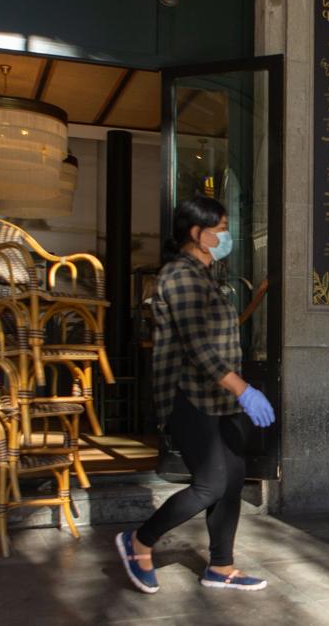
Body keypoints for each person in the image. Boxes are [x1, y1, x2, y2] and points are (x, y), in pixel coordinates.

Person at [116, 197, 276, 595]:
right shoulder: (179, 275)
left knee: (233, 478)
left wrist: (236, 391)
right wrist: (244, 389)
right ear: (197, 233)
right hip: (187, 395)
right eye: (220, 228)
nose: (226, 235)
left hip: (218, 398)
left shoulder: (205, 277)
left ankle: (221, 566)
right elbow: (198, 347)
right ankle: (139, 541)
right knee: (210, 484)